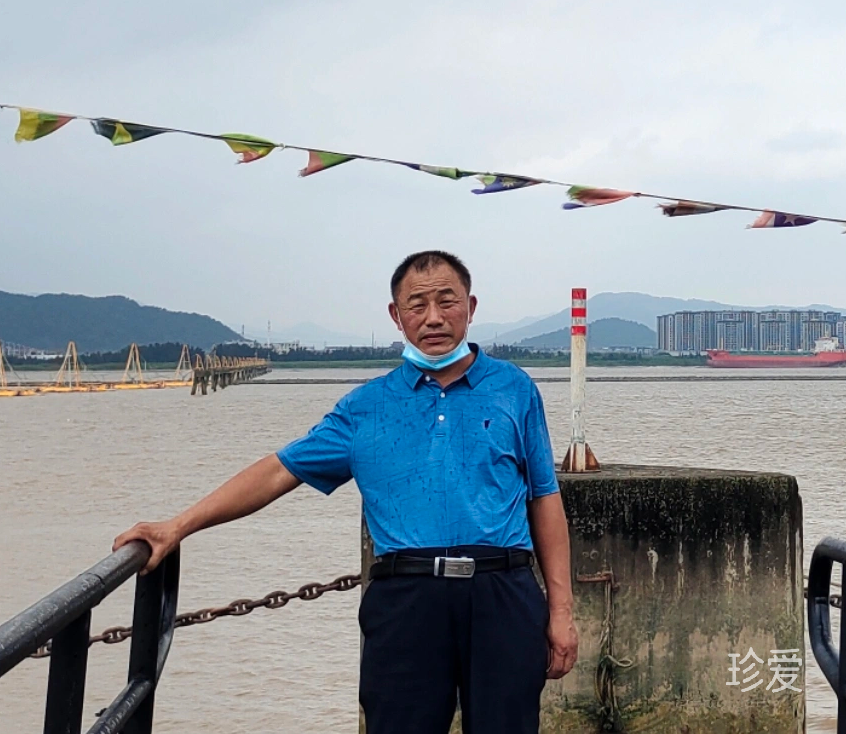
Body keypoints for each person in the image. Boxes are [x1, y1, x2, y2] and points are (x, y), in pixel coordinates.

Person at [114, 250, 578, 734]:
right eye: (417, 305)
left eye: (447, 301)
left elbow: (544, 498)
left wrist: (561, 611)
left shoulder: (514, 389)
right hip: (406, 599)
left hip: (502, 592)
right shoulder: (364, 408)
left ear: (471, 306)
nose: (434, 318)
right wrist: (179, 526)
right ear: (396, 315)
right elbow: (277, 472)